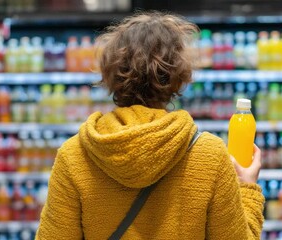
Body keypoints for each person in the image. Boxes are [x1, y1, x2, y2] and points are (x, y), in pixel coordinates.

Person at [36, 12, 264, 240]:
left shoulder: (73, 156)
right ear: (178, 77)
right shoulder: (209, 155)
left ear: (109, 73)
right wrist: (247, 188)